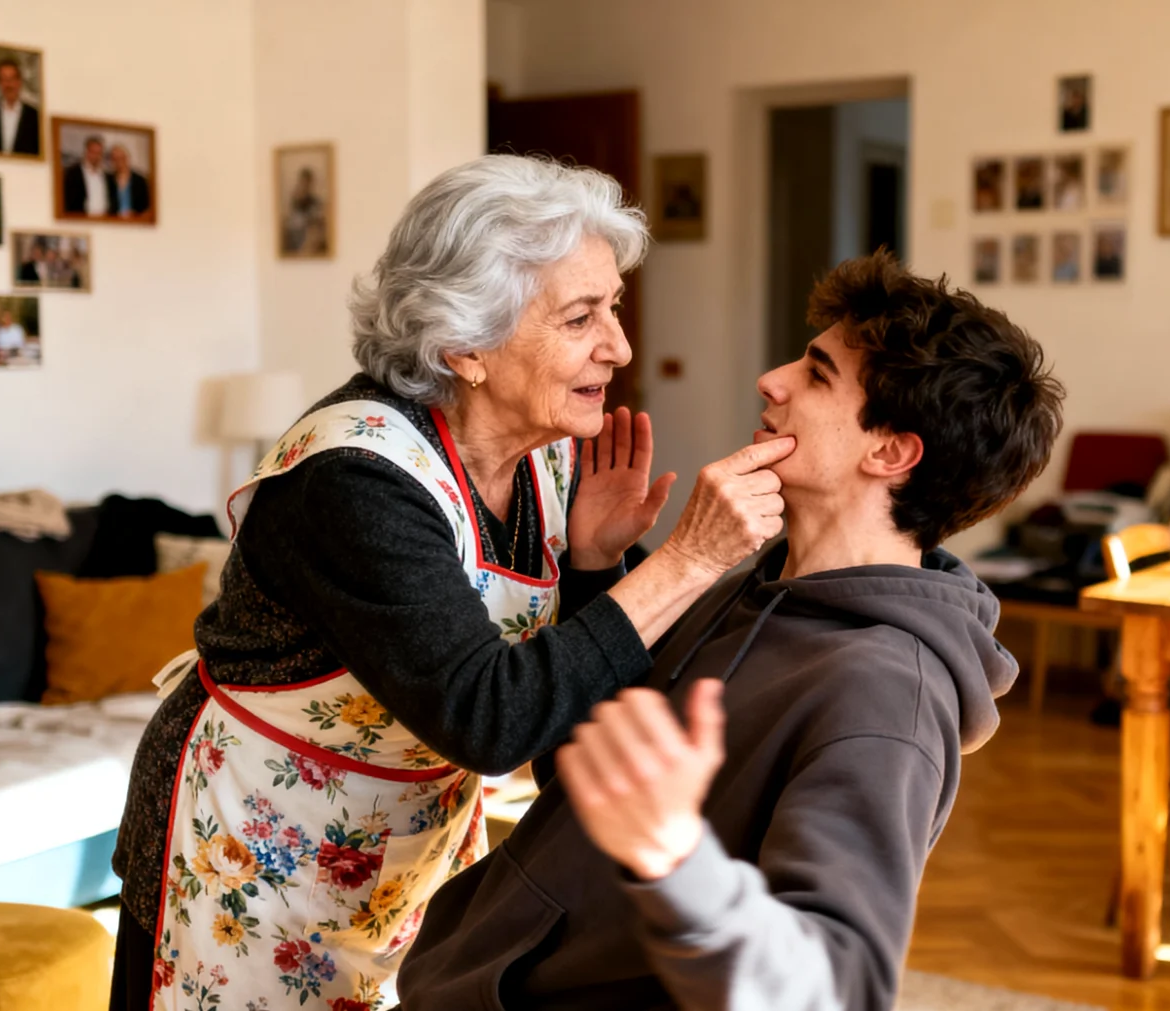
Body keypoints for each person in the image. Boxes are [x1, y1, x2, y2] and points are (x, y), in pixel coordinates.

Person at [107, 154, 796, 1011]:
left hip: (394, 852)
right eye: (580, 316)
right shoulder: (353, 478)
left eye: (613, 306)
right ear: (466, 346)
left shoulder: (545, 458)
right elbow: (490, 718)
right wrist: (686, 560)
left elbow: (557, 734)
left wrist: (592, 564)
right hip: (243, 848)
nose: (619, 346)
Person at [398, 251, 1066, 1011]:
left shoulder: (885, 695)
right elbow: (585, 774)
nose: (772, 380)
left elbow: (838, 988)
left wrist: (677, 859)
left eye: (817, 375)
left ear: (890, 451)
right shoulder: (755, 586)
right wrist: (594, 568)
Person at [0, 57, 40, 155]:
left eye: (12, 79)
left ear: (19, 82)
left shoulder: (35, 117)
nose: (8, 85)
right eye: (4, 79)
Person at [63, 135, 110, 216]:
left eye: (99, 153)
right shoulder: (73, 173)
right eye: (93, 152)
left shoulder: (107, 176)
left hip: (104, 219)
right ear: (86, 152)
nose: (96, 156)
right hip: (80, 219)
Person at [282, 166, 324, 255]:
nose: (305, 185)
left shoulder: (315, 201)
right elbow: (291, 220)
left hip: (309, 235)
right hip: (296, 236)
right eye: (303, 182)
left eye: (307, 182)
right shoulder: (294, 200)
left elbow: (317, 219)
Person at [110, 143, 149, 219]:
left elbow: (147, 207)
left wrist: (137, 215)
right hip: (114, 221)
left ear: (127, 158)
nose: (119, 162)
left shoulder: (140, 180)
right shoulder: (108, 180)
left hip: (136, 221)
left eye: (121, 158)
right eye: (115, 159)